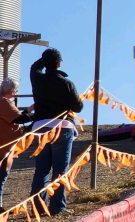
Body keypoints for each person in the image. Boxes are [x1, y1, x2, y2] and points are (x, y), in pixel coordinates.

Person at [29, 48, 83, 216]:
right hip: (62, 127)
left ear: (45, 63)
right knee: (60, 169)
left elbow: (34, 67)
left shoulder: (37, 79)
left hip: (40, 127)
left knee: (41, 169)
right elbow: (78, 107)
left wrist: (45, 60)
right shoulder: (67, 83)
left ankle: (38, 207)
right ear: (59, 64)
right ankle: (57, 207)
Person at [0, 78, 32, 211]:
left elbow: (15, 118)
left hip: (6, 146)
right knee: (1, 177)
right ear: (10, 90)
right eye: (15, 90)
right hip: (4, 148)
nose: (15, 93)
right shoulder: (4, 102)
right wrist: (39, 115)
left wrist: (29, 110)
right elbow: (19, 119)